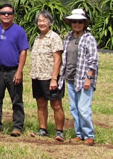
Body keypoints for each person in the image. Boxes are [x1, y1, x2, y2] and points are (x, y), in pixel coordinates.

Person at [59, 9, 99, 146]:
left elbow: (93, 61)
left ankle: (89, 135)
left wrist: (89, 78)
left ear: (84, 23)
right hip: (70, 78)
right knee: (74, 108)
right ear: (70, 23)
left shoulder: (89, 39)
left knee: (83, 108)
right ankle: (79, 134)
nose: (77, 24)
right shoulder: (68, 37)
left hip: (83, 78)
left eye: (80, 22)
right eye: (74, 21)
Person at [0, 3, 29, 137]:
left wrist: (19, 71)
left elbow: (23, 51)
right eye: (3, 13)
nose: (6, 15)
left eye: (9, 13)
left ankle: (17, 126)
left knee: (16, 100)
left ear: (13, 15)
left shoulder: (19, 31)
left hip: (13, 70)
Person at [30, 11, 65, 141]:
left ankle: (59, 131)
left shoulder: (54, 37)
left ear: (50, 22)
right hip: (37, 76)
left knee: (56, 105)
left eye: (44, 20)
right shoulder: (37, 38)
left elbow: (57, 59)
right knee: (41, 104)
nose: (41, 23)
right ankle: (42, 129)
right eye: (39, 21)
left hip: (50, 77)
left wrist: (54, 79)